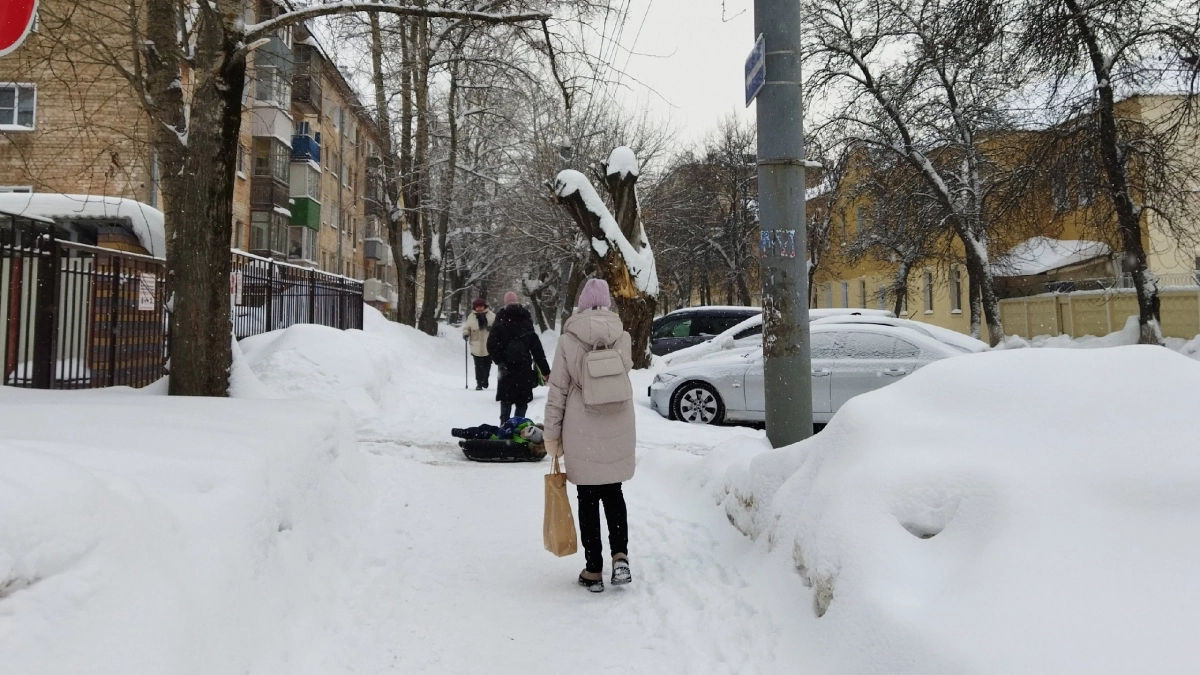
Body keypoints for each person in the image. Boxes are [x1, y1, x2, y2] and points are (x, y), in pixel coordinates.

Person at [543, 278, 635, 593]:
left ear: (582, 303)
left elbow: (558, 391)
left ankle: (594, 569)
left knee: (587, 497)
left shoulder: (569, 339)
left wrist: (552, 435)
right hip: (618, 421)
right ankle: (620, 555)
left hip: (581, 426)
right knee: (614, 493)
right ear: (607, 303)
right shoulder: (622, 336)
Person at [486, 291, 550, 424]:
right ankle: (518, 426)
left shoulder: (500, 319)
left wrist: (500, 361)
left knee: (506, 400)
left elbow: (491, 344)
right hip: (523, 368)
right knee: (522, 401)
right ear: (517, 302)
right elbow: (537, 349)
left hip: (506, 369)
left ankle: (504, 426)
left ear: (505, 303)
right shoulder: (525, 318)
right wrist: (546, 371)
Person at [462, 298, 496, 390]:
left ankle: (485, 379)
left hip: (488, 346)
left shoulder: (491, 316)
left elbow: (497, 327)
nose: (479, 308)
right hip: (476, 345)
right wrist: (465, 334)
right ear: (475, 307)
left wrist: (492, 329)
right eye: (477, 307)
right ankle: (479, 383)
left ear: (484, 306)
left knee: (487, 366)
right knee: (478, 367)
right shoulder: (471, 316)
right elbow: (467, 328)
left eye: (481, 306)